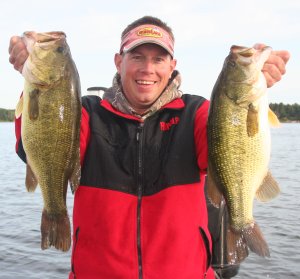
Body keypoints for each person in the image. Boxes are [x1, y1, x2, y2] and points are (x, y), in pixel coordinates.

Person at [9, 16, 290, 279]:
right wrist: (30, 77)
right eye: (137, 57)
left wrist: (259, 78)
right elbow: (35, 146)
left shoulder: (197, 113)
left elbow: (229, 148)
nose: (148, 69)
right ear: (119, 61)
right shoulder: (87, 113)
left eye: (158, 59)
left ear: (172, 65)